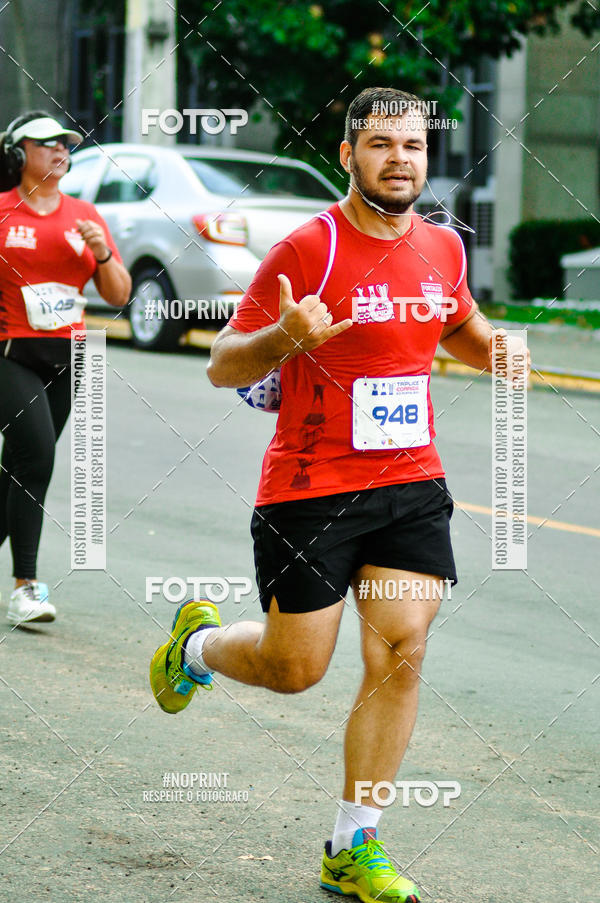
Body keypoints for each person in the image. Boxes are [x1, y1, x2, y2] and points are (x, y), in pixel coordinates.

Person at [150, 87, 529, 903]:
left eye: (416, 146)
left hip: (411, 485)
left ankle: (353, 845)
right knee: (295, 670)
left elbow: (455, 324)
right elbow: (224, 363)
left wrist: (506, 355)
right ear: (350, 154)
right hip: (310, 491)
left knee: (403, 647)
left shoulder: (443, 248)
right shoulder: (307, 251)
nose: (402, 159)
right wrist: (286, 338)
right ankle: (197, 647)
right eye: (383, 144)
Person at [0, 112, 131, 625]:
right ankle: (26, 587)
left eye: (66, 144)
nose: (60, 150)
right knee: (35, 458)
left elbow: (118, 294)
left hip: (68, 358)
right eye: (47, 143)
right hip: (11, 354)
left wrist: (100, 255)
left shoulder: (85, 215)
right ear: (19, 154)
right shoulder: (5, 213)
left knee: (16, 472)